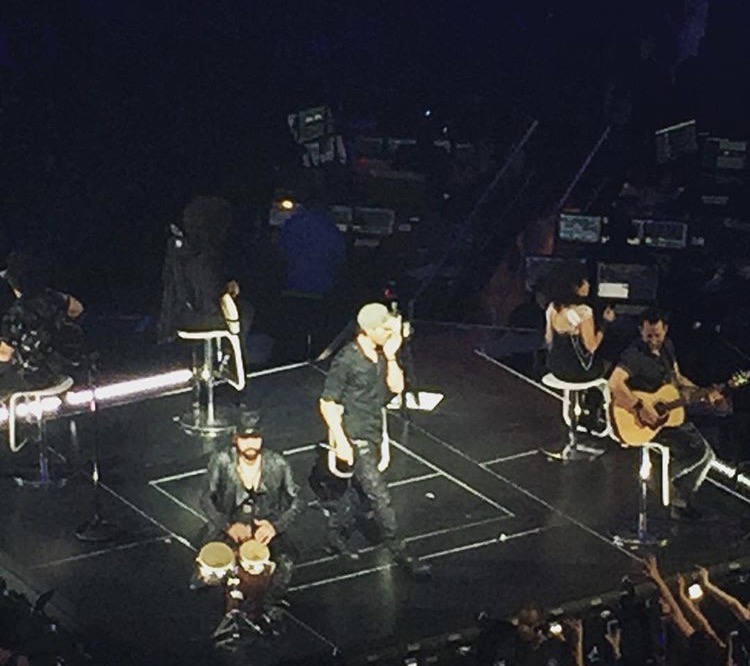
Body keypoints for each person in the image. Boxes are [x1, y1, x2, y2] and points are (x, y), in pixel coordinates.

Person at [319, 302, 431, 579]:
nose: (388, 333)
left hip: (373, 430)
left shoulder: (381, 355)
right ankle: (398, 547)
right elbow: (327, 402)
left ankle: (333, 535)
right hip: (355, 434)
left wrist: (392, 358)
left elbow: (397, 387)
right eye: (384, 329)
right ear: (368, 330)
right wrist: (340, 439)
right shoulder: (347, 360)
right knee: (379, 495)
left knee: (359, 490)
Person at [608, 308, 718, 519]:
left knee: (708, 456)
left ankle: (677, 496)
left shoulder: (667, 347)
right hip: (645, 421)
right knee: (699, 452)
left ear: (665, 330)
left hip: (667, 416)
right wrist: (639, 406)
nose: (653, 340)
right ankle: (663, 481)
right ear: (640, 331)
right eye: (648, 335)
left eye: (657, 335)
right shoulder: (634, 354)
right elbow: (614, 383)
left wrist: (703, 392)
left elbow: (677, 380)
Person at [196, 409, 303, 622]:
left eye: (255, 438)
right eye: (245, 439)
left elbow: (298, 500)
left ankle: (273, 602)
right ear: (236, 439)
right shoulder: (222, 461)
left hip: (265, 527)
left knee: (285, 563)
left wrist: (275, 526)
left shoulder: (278, 464)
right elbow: (206, 498)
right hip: (230, 524)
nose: (250, 444)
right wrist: (227, 525)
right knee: (212, 569)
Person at [0, 251, 85, 396]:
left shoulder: (17, 313)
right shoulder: (52, 296)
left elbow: (5, 354)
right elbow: (77, 309)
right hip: (72, 365)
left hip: (41, 376)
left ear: (13, 282)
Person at [277, 193, 345, 360]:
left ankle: (292, 359)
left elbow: (281, 252)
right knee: (318, 333)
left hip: (293, 287)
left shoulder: (292, 224)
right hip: (321, 290)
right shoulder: (330, 229)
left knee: (294, 332)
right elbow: (339, 258)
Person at [543, 262, 615, 383]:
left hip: (556, 368)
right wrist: (605, 324)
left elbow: (548, 339)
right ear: (575, 286)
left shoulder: (552, 308)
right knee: (610, 362)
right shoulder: (583, 312)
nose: (588, 285)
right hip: (579, 372)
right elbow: (591, 347)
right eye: (585, 281)